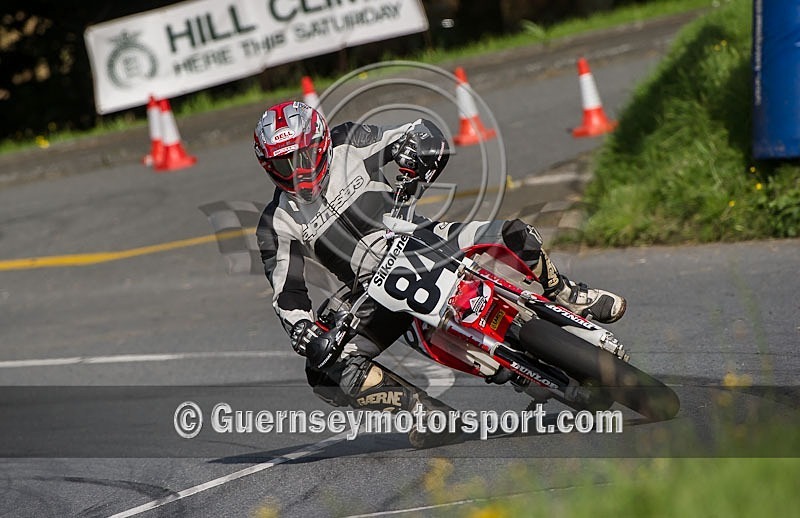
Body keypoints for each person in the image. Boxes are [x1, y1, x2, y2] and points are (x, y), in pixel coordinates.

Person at [254, 101, 626, 447]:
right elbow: (287, 292)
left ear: (319, 141)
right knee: (324, 371)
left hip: (422, 238)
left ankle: (565, 292)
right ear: (269, 168)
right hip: (372, 291)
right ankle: (422, 411)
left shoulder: (349, 141)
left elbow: (420, 130)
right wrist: (303, 329)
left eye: (302, 156)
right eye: (286, 164)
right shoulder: (277, 222)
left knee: (514, 233)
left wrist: (415, 152)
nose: (299, 171)